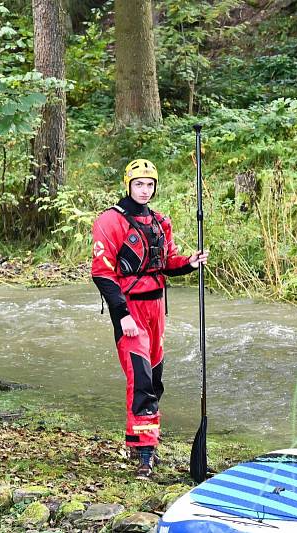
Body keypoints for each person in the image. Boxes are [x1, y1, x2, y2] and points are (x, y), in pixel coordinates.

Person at [91, 158, 208, 479]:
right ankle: (146, 453)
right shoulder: (110, 221)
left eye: (150, 184)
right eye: (139, 184)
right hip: (129, 309)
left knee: (154, 380)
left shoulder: (160, 221)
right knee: (141, 380)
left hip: (157, 308)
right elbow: (102, 274)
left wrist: (190, 263)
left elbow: (166, 261)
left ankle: (137, 438)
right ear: (128, 185)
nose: (145, 190)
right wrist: (123, 315)